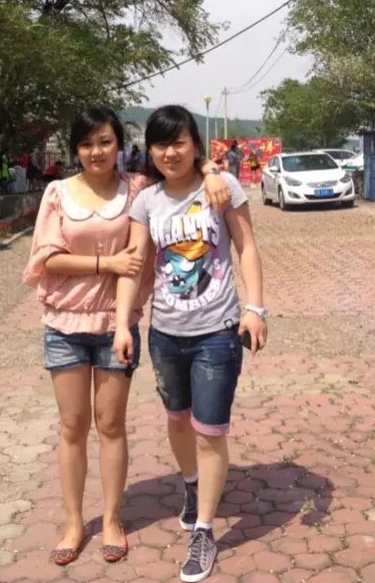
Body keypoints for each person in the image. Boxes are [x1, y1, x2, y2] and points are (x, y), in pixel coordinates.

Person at [22, 107, 231, 567]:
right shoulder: (58, 193)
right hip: (64, 325)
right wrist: (108, 264)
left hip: (116, 325)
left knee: (112, 425)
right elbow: (45, 259)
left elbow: (178, 160)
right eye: (86, 144)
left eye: (105, 141)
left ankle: (113, 518)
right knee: (72, 426)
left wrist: (212, 169)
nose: (96, 152)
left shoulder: (137, 189)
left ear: (121, 144)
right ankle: (74, 523)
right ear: (75, 149)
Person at [113, 105, 267, 582]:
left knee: (210, 431)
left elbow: (247, 247)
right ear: (150, 150)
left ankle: (204, 530)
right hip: (165, 334)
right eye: (161, 144)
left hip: (218, 331)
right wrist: (123, 325)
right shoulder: (147, 201)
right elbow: (134, 264)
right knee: (178, 419)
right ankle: (192, 484)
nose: (170, 152)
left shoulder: (223, 188)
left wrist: (255, 308)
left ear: (195, 145)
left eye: (179, 142)